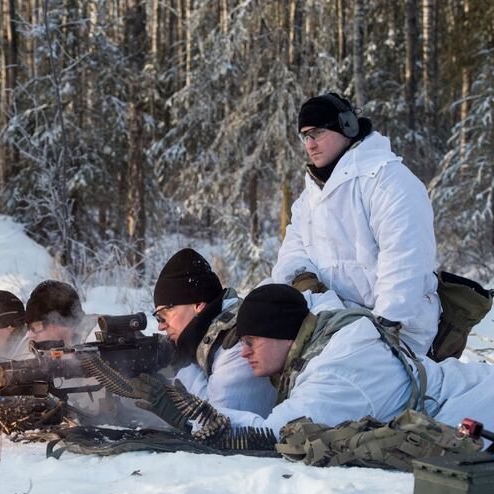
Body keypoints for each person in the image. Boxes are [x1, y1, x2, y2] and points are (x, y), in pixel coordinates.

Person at [162, 284, 494, 438]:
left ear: (282, 335)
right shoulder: (322, 344)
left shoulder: (337, 371)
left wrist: (199, 414)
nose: (244, 352)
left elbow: (276, 434)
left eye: (251, 341)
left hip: (477, 410)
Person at [272, 92, 439, 356]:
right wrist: (303, 280)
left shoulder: (388, 181)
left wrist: (384, 329)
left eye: (316, 132)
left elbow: (405, 262)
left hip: (395, 331)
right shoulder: (309, 198)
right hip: (332, 322)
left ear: (347, 127)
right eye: (304, 136)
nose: (310, 145)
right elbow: (293, 252)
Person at [150, 248, 276, 417]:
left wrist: (183, 366)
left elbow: (221, 428)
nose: (161, 326)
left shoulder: (237, 345)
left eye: (164, 315)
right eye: (158, 319)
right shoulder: (209, 335)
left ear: (198, 305)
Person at [24, 280, 99, 346]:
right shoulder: (68, 345)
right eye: (29, 328)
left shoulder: (98, 339)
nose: (30, 335)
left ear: (60, 321)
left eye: (37, 325)